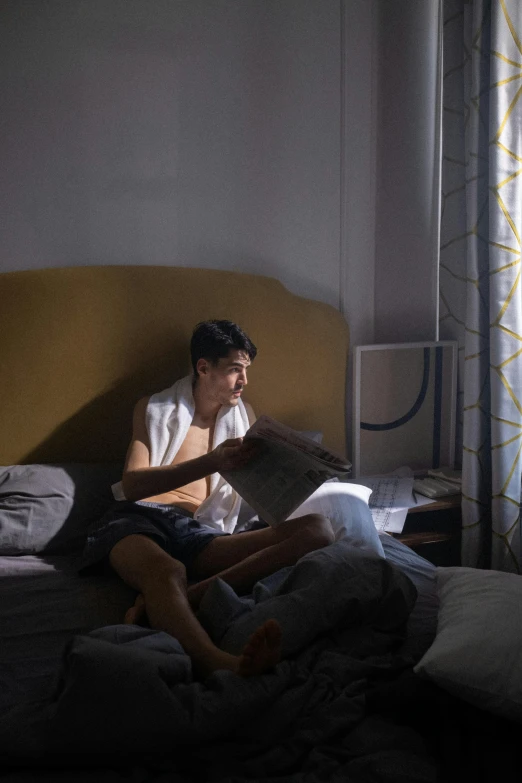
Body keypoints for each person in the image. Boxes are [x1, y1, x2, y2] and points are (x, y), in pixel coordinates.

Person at [81, 320, 334, 679]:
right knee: (168, 571)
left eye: (246, 370)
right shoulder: (152, 409)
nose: (244, 381)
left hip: (201, 531)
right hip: (137, 520)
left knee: (319, 530)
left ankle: (186, 597)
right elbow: (133, 484)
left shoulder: (243, 420)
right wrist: (212, 460)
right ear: (203, 368)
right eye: (234, 370)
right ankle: (220, 662)